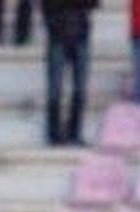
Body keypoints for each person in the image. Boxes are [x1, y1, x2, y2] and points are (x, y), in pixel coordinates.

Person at [42, 0, 97, 145]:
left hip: (80, 34)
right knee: (55, 89)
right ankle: (54, 134)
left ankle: (75, 133)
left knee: (80, 88)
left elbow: (93, 3)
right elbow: (47, 4)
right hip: (57, 35)